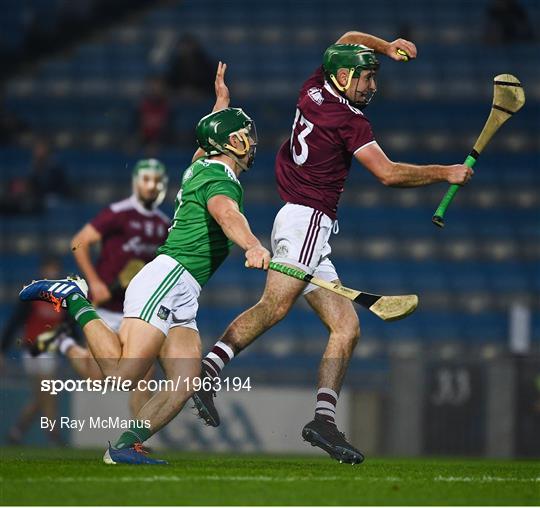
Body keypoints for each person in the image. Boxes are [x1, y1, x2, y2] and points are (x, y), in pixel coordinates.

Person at [192, 31, 474, 465]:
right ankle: (206, 373)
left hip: (309, 225)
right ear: (342, 77)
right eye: (365, 78)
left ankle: (322, 420)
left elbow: (345, 38)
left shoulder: (314, 86)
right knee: (274, 306)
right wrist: (446, 171)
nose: (372, 86)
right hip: (306, 218)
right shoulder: (349, 121)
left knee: (347, 327)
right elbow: (388, 173)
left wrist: (383, 47)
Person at [19, 62, 271, 465]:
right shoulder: (220, 179)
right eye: (244, 136)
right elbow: (228, 216)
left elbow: (205, 143)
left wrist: (221, 103)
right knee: (122, 376)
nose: (251, 141)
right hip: (167, 279)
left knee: (186, 382)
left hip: (184, 291)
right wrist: (252, 246)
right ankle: (73, 297)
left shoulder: (200, 164)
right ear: (229, 144)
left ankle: (125, 445)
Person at [45, 159, 170, 417]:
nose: (151, 185)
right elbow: (79, 242)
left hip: (137, 310)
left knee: (144, 374)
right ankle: (65, 342)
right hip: (105, 306)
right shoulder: (119, 212)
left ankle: (135, 441)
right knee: (98, 376)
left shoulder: (164, 224)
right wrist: (96, 283)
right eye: (146, 179)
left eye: (156, 180)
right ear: (136, 182)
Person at [1, 256, 67, 445]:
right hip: (33, 349)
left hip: (49, 350)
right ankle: (53, 433)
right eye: (49, 268)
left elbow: (68, 325)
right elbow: (15, 322)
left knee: (41, 395)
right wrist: (2, 350)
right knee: (47, 392)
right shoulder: (31, 295)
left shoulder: (61, 298)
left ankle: (18, 431)